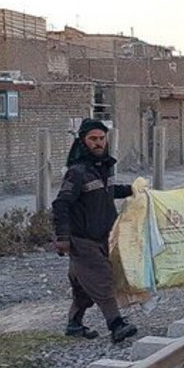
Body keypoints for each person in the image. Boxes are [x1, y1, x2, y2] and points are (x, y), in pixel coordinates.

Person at [51, 119, 139, 343]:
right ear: (83, 141)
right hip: (83, 240)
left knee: (83, 289)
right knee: (103, 280)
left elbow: (107, 193)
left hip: (103, 237)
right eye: (93, 139)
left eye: (101, 138)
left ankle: (74, 324)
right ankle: (116, 325)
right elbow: (61, 204)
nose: (98, 143)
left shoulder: (103, 169)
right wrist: (62, 238)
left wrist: (132, 190)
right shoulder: (77, 172)